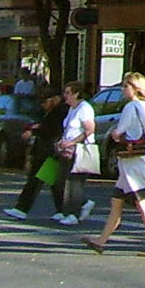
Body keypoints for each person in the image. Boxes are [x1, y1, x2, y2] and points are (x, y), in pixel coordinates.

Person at [84, 72, 145, 256]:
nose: (123, 90)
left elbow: (119, 131)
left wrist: (115, 133)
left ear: (135, 88)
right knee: (116, 202)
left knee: (143, 202)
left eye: (126, 86)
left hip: (131, 162)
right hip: (137, 160)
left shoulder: (131, 107)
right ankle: (101, 241)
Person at [4, 92, 66, 220]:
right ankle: (64, 208)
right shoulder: (52, 112)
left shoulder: (59, 112)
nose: (42, 105)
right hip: (47, 150)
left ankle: (22, 208)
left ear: (52, 100)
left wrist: (34, 131)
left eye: (44, 102)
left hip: (49, 150)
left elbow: (52, 130)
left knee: (35, 180)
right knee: (53, 183)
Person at [55, 81, 98, 225]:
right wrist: (63, 141)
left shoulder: (84, 108)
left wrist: (73, 142)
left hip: (80, 150)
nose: (65, 96)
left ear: (76, 94)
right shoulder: (72, 109)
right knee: (61, 180)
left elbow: (89, 129)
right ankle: (82, 204)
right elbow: (69, 128)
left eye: (68, 93)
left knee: (75, 182)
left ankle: (74, 214)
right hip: (68, 150)